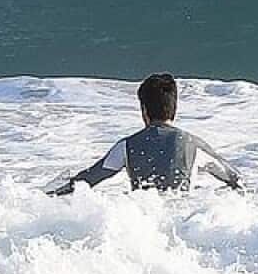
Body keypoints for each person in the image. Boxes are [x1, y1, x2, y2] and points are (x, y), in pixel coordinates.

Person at [51, 73, 242, 194]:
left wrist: (47, 195)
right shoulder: (193, 144)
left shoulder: (127, 146)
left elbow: (88, 180)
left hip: (145, 226)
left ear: (144, 110)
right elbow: (234, 179)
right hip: (182, 228)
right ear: (174, 107)